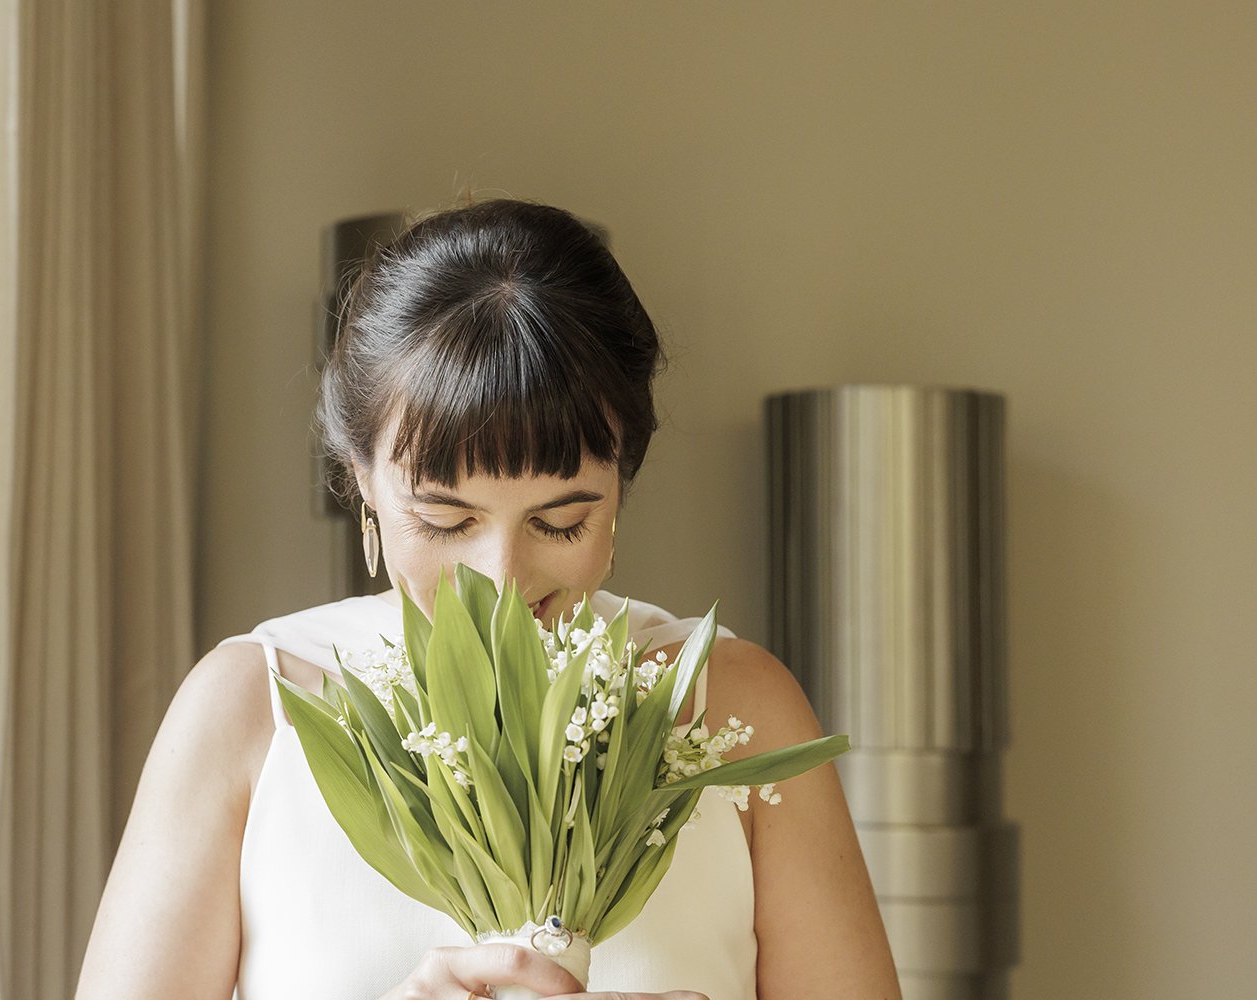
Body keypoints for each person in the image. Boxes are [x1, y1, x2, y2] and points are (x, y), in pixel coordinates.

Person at [76, 199, 900, 999]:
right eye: (444, 518)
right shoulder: (253, 710)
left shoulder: (735, 710)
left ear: (621, 494)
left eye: (562, 521)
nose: (503, 582)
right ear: (361, 481)